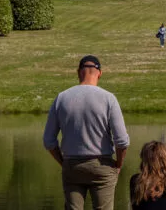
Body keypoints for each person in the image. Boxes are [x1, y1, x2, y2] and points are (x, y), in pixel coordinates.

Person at [44, 55, 130, 210]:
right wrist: (118, 165)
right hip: (102, 165)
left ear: (78, 72)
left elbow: (48, 141)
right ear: (100, 73)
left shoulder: (61, 98)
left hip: (72, 165)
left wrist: (64, 163)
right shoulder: (108, 98)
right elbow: (122, 141)